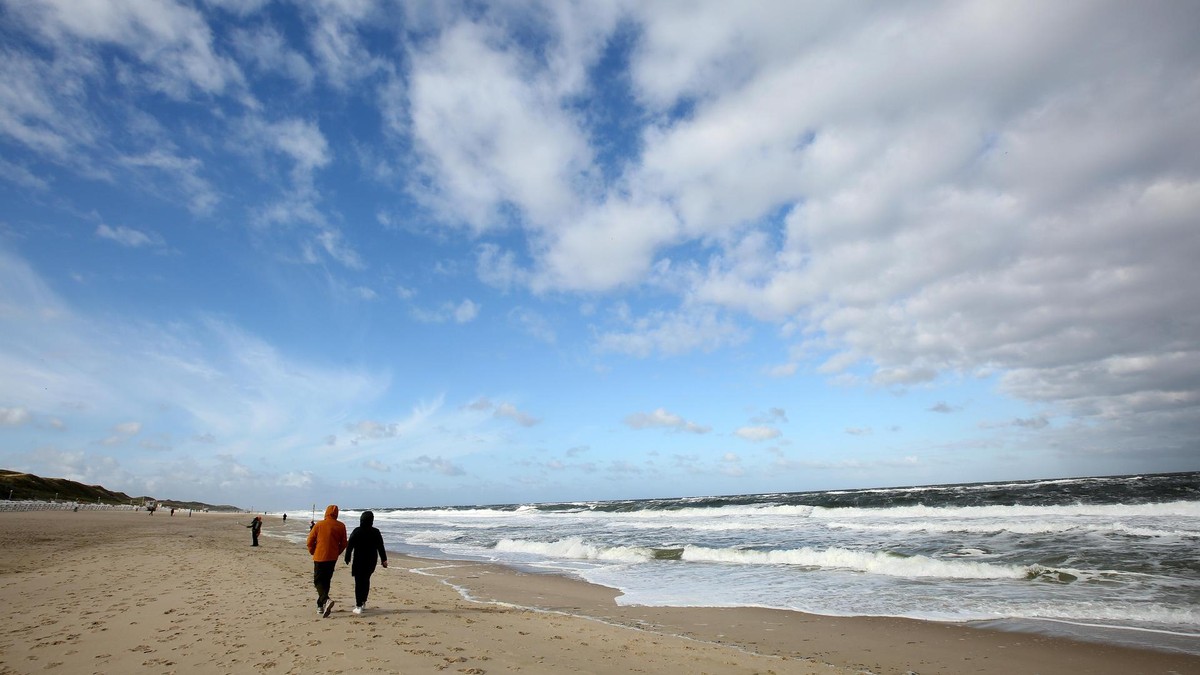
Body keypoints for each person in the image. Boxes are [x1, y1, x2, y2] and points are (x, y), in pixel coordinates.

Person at [306, 504, 347, 618]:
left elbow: (310, 541)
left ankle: (325, 600)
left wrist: (313, 551)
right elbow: (344, 543)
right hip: (332, 558)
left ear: (326, 512)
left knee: (318, 581)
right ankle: (320, 606)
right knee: (326, 581)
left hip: (320, 556)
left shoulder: (319, 525)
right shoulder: (341, 526)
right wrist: (337, 552)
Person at [344, 511, 388, 614]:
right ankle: (363, 601)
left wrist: (347, 557)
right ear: (372, 520)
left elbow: (350, 545)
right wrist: (383, 560)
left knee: (359, 582)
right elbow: (380, 546)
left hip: (359, 560)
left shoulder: (357, 531)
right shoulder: (376, 532)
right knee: (366, 580)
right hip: (371, 560)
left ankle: (359, 605)